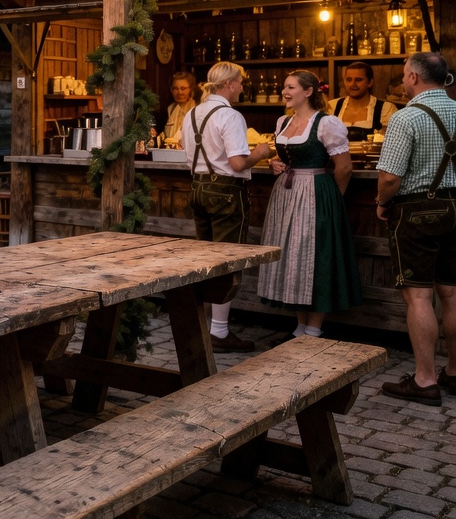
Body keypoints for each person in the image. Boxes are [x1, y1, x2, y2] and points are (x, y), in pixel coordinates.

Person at [376, 52, 456, 406]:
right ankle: (454, 371)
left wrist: (381, 202)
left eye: (404, 75)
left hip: (417, 211)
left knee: (420, 296)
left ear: (412, 77)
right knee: (452, 293)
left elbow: (391, 177)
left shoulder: (405, 117)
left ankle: (424, 380)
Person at [256, 70, 362, 338]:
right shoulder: (283, 121)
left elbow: (344, 167)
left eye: (290, 87)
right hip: (286, 193)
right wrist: (273, 162)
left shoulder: (327, 123)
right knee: (292, 256)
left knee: (315, 256)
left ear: (309, 91)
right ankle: (299, 328)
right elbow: (284, 156)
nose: (285, 92)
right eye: (284, 87)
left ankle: (314, 328)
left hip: (316, 192)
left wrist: (332, 199)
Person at [181, 61, 272, 353]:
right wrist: (260, 152)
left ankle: (207, 327)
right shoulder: (230, 116)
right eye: (241, 83)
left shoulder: (191, 113)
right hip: (225, 192)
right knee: (228, 261)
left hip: (197, 188)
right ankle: (219, 332)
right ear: (229, 83)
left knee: (207, 260)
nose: (243, 88)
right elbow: (237, 163)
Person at [329, 61, 396, 140]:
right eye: (349, 80)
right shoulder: (332, 106)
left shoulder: (386, 109)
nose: (353, 84)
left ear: (370, 82)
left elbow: (393, 141)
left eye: (358, 80)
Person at [161, 71, 197, 146]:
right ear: (171, 90)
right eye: (175, 88)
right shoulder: (169, 109)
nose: (179, 92)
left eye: (183, 88)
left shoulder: (197, 109)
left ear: (190, 89)